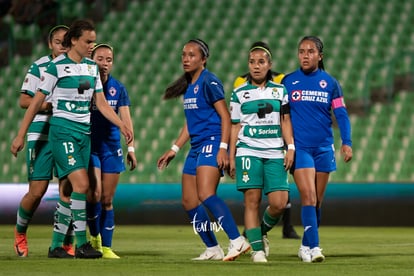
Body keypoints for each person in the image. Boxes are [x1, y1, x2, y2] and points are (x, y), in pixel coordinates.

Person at [10, 19, 133, 259]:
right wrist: (20, 134)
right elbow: (33, 101)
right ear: (74, 41)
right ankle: (81, 243)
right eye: (88, 41)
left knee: (68, 190)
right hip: (62, 131)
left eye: (93, 41)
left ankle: (57, 246)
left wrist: (122, 125)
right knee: (81, 185)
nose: (91, 46)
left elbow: (100, 102)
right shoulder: (54, 67)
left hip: (83, 134)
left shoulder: (90, 68)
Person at [157, 38, 250, 261]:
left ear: (203, 59)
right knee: (189, 202)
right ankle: (213, 248)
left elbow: (225, 117)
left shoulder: (210, 81)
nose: (186, 59)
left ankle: (237, 241)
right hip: (196, 146)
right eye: (183, 55)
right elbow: (190, 122)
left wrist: (224, 149)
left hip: (213, 140)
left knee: (206, 194)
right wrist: (174, 148)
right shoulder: (189, 85)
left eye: (191, 55)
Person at [282, 36, 353, 263]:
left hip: (324, 148)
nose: (305, 55)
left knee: (317, 201)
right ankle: (315, 247)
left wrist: (347, 141)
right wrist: (287, 146)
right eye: (301, 51)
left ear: (319, 56)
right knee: (309, 196)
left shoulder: (330, 83)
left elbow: (341, 114)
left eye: (310, 51)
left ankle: (304, 245)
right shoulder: (288, 82)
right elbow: (281, 117)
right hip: (300, 148)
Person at [228, 41, 295, 263]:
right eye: (252, 62)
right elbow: (235, 126)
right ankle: (257, 250)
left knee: (279, 202)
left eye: (261, 62)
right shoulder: (238, 93)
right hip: (248, 151)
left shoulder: (280, 90)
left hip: (275, 151)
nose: (256, 66)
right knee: (252, 201)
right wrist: (230, 155)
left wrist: (290, 147)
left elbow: (285, 121)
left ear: (269, 64)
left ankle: (258, 232)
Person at [13, 24, 76, 258]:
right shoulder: (39, 66)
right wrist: (47, 105)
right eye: (59, 42)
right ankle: (20, 233)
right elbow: (23, 101)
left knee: (67, 191)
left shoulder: (75, 68)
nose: (63, 47)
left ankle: (63, 243)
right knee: (37, 191)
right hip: (41, 133)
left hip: (67, 133)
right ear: (50, 44)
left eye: (67, 42)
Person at [86, 43, 137, 259]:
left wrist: (131, 148)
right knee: (94, 194)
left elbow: (126, 119)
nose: (104, 64)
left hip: (111, 148)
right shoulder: (85, 86)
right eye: (100, 58)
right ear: (92, 60)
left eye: (108, 60)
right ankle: (94, 236)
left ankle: (106, 247)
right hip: (90, 148)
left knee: (107, 199)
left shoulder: (119, 88)